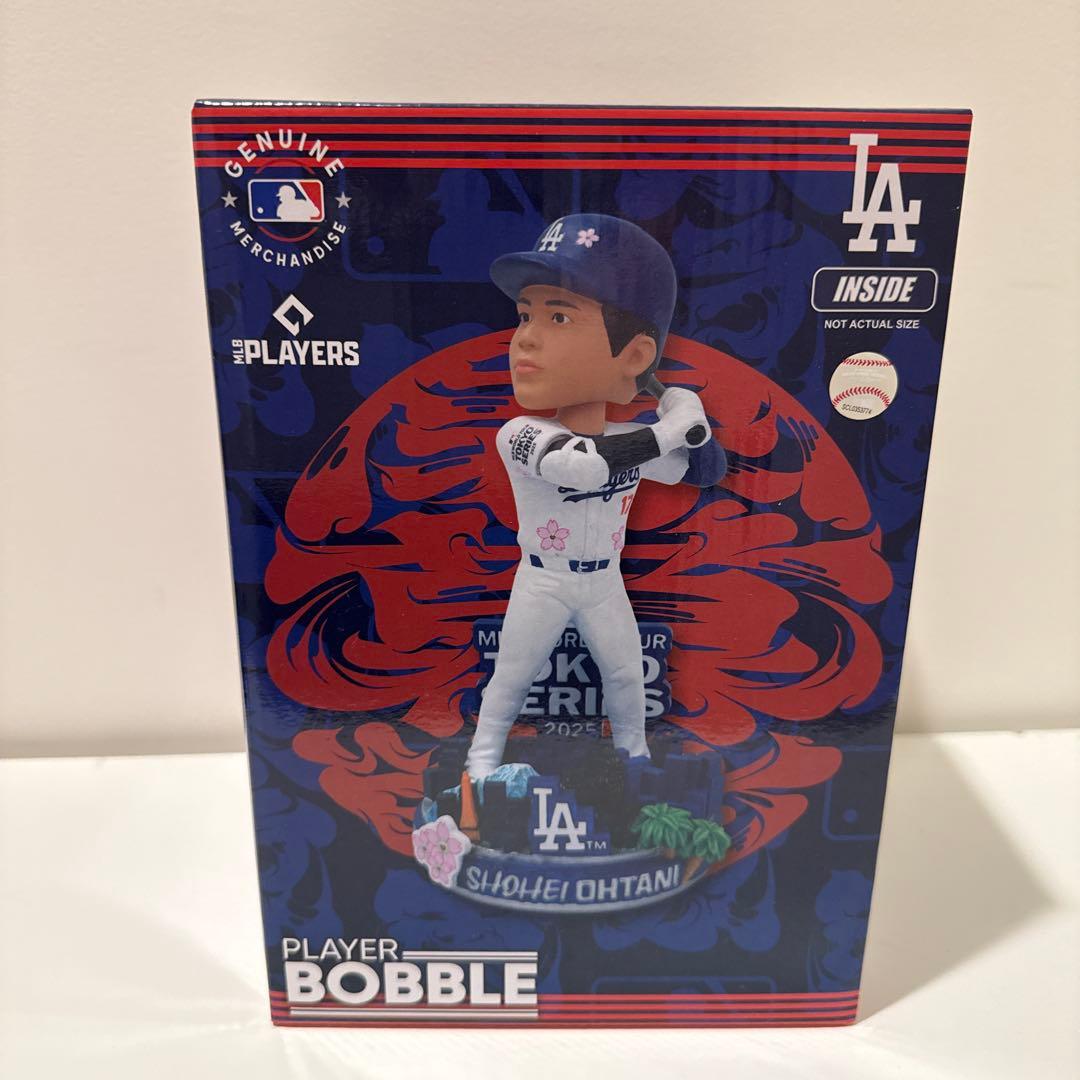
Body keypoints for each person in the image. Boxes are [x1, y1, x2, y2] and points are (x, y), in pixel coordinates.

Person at [466, 214, 726, 780]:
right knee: (512, 678)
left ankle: (636, 764)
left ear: (634, 356)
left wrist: (688, 411)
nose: (524, 337)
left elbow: (706, 472)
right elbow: (582, 467)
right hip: (543, 579)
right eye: (525, 315)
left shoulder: (630, 441)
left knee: (628, 675)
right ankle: (479, 768)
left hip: (605, 580)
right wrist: (671, 426)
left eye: (558, 317)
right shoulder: (519, 433)